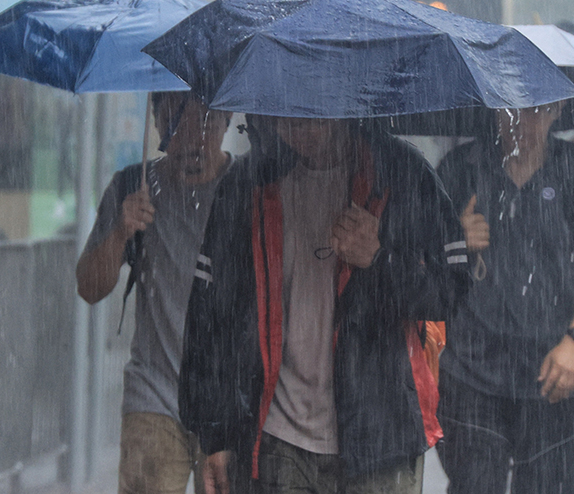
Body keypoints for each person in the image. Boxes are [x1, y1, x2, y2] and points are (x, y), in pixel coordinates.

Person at [180, 116, 466, 494]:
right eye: (286, 120)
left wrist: (380, 259)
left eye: (309, 121)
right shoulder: (247, 183)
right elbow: (210, 316)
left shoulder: (403, 174)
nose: (296, 132)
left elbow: (450, 294)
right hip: (276, 438)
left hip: (380, 437)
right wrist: (215, 433)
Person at [435, 104, 574, 494]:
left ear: (557, 112)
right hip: (472, 369)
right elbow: (422, 262)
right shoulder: (460, 168)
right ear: (497, 108)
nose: (523, 120)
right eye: (514, 108)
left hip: (556, 371)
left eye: (538, 110)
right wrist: (453, 239)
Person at [75, 91, 233, 494]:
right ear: (157, 123)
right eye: (175, 122)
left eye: (205, 122)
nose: (190, 138)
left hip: (229, 400)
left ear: (227, 119)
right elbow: (89, 288)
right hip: (155, 394)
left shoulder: (247, 189)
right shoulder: (134, 185)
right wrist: (121, 231)